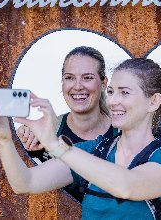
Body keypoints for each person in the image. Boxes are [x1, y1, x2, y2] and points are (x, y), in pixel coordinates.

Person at [0, 58, 161, 219]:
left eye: (124, 92)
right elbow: (26, 183)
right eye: (111, 92)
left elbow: (126, 185)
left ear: (153, 102)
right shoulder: (93, 150)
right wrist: (4, 138)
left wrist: (56, 145)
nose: (113, 101)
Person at [17, 46, 115, 202]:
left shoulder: (123, 132)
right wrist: (21, 146)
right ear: (62, 82)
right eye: (69, 77)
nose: (77, 86)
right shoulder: (46, 131)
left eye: (87, 77)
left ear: (104, 83)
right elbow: (23, 185)